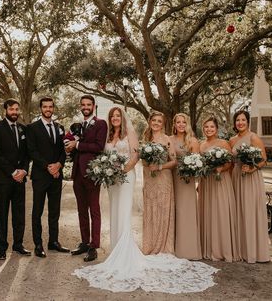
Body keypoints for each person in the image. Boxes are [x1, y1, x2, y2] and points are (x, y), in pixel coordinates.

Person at [73, 107, 218, 293]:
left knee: (125, 212)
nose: (116, 118)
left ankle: (129, 252)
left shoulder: (139, 134)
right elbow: (105, 154)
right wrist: (106, 168)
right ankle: (118, 250)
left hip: (129, 176)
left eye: (118, 115)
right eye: (113, 116)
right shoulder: (114, 135)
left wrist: (129, 169)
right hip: (115, 179)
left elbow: (136, 156)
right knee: (118, 211)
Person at [65, 95, 107, 262]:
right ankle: (84, 242)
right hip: (77, 174)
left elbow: (99, 146)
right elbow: (70, 142)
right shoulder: (77, 125)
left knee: (94, 211)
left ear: (93, 106)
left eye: (88, 104)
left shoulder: (101, 124)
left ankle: (94, 246)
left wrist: (78, 145)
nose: (86, 107)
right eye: (83, 104)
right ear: (80, 106)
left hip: (92, 173)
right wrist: (68, 145)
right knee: (81, 210)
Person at [26, 97, 69, 258]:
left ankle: (54, 241)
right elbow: (32, 151)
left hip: (56, 176)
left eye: (50, 106)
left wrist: (59, 164)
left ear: (53, 108)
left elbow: (62, 151)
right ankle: (38, 244)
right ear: (41, 108)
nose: (48, 109)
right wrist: (48, 167)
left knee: (54, 211)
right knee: (37, 211)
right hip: (40, 176)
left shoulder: (59, 127)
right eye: (45, 107)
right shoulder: (32, 128)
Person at [0, 98, 30, 260]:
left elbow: (27, 153)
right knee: (3, 215)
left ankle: (18, 244)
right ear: (5, 111)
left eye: (16, 109)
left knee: (19, 213)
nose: (14, 112)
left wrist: (24, 171)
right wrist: (13, 172)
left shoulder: (23, 129)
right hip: (3, 179)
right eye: (11, 109)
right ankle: (2, 248)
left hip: (20, 179)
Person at [229, 110, 270, 263]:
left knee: (250, 212)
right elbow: (232, 162)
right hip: (236, 177)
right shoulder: (232, 140)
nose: (240, 122)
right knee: (238, 211)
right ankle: (241, 249)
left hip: (251, 179)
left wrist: (252, 168)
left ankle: (253, 251)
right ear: (234, 123)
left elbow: (264, 160)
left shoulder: (254, 138)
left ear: (247, 122)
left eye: (243, 120)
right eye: (237, 120)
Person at [199, 116, 239, 262]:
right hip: (207, 183)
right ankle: (209, 249)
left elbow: (230, 163)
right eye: (206, 127)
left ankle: (224, 249)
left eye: (211, 127)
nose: (209, 129)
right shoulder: (201, 145)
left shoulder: (223, 143)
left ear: (216, 128)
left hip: (221, 181)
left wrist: (221, 168)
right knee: (209, 212)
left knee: (221, 212)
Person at [141, 111, 177, 255]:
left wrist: (160, 166)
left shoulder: (167, 139)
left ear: (163, 124)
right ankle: (150, 245)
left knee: (162, 209)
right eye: (154, 120)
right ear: (150, 121)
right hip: (150, 179)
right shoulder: (145, 139)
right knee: (151, 210)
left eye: (159, 121)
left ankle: (163, 246)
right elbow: (143, 161)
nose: (156, 123)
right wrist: (147, 162)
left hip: (163, 179)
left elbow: (174, 161)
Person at [170, 113, 202, 260]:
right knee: (173, 210)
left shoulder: (192, 141)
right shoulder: (169, 140)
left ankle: (187, 249)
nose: (181, 124)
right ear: (174, 124)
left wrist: (189, 169)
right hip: (171, 179)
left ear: (187, 124)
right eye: (178, 122)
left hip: (186, 181)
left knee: (185, 211)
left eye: (184, 122)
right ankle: (172, 247)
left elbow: (197, 163)